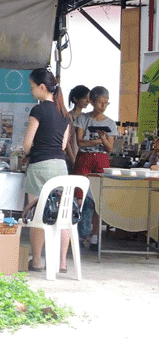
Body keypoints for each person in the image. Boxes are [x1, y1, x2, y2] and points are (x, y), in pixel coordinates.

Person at [22, 68, 71, 272]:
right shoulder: (64, 114)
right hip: (61, 167)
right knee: (63, 215)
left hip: (40, 166)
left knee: (37, 214)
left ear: (42, 88)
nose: (31, 91)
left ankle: (36, 262)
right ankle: (62, 263)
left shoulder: (38, 110)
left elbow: (27, 144)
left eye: (33, 87)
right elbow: (62, 146)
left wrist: (30, 151)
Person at [72, 86, 117, 251]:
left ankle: (95, 237)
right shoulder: (83, 119)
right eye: (100, 102)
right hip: (84, 158)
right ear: (92, 102)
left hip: (101, 160)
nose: (103, 106)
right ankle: (77, 234)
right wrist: (101, 141)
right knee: (78, 197)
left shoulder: (110, 123)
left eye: (106, 103)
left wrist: (102, 142)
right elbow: (79, 142)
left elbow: (110, 148)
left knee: (99, 198)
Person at [65, 85, 91, 167]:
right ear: (75, 99)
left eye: (89, 98)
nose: (88, 101)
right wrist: (72, 159)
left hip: (84, 158)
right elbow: (66, 141)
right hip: (71, 157)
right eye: (84, 98)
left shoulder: (87, 117)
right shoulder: (68, 117)